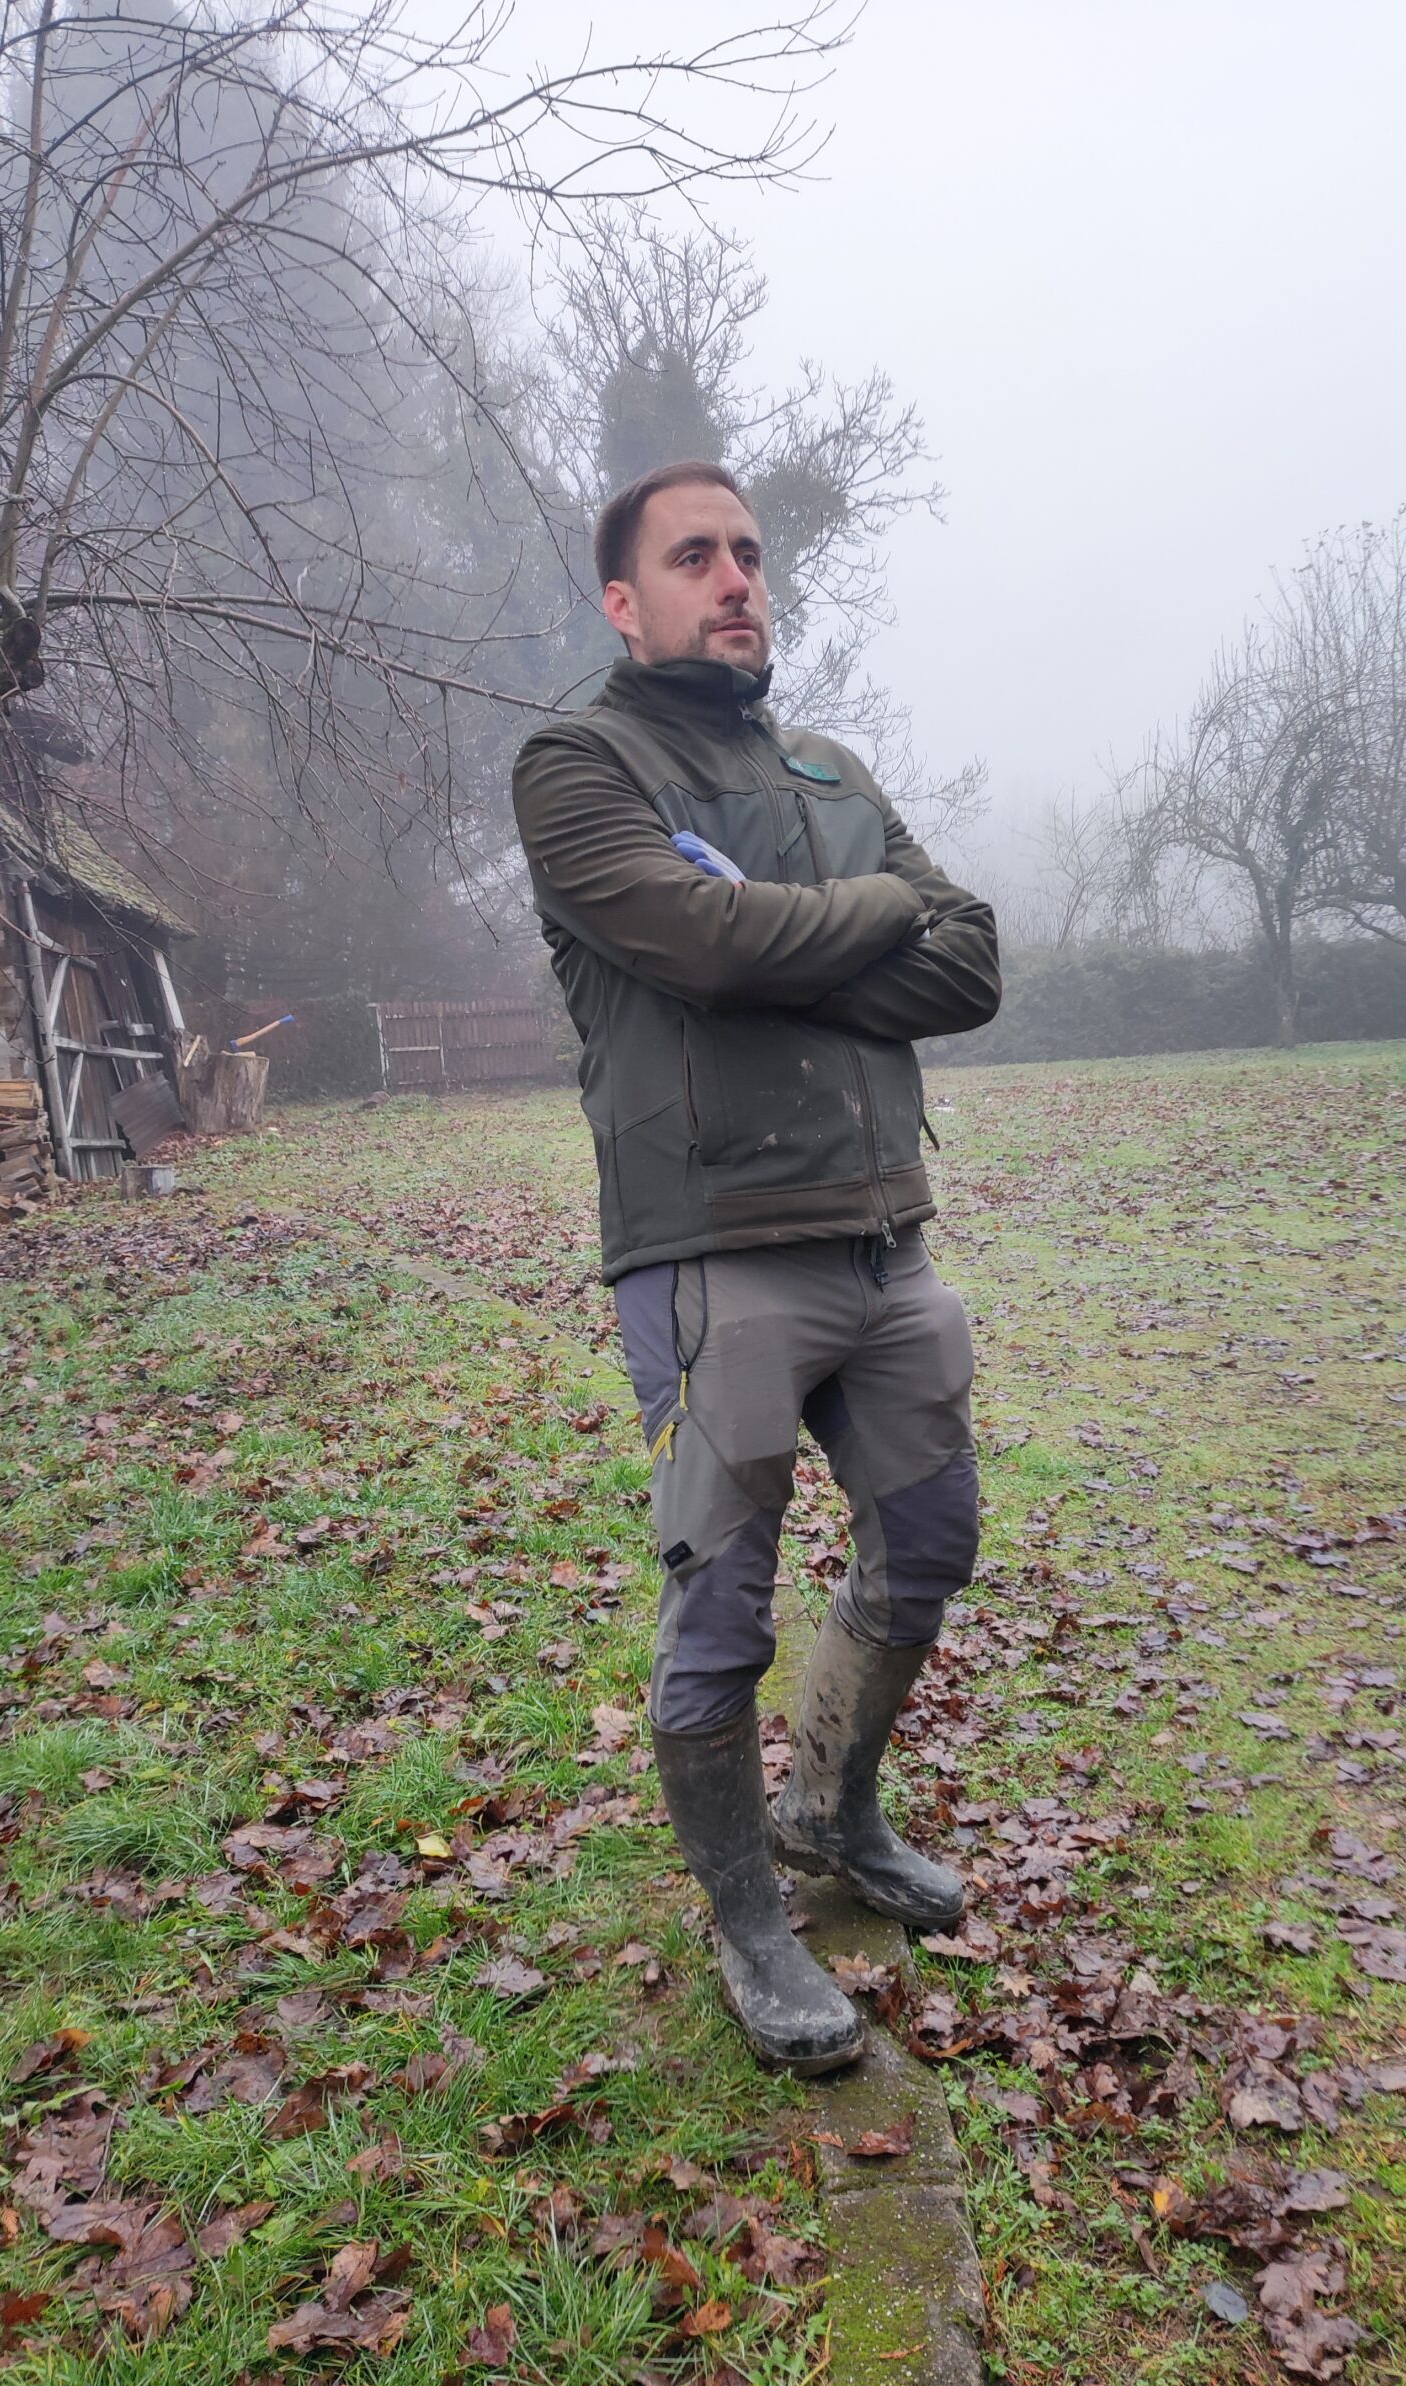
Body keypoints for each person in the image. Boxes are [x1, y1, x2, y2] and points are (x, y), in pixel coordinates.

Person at [512, 460, 1001, 2075]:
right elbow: (700, 947)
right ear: (623, 599)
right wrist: (868, 921)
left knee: (929, 1544)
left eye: (748, 552)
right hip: (716, 1256)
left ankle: (831, 1812)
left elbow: (973, 964)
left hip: (886, 1239)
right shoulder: (579, 766)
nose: (735, 579)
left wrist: (785, 939)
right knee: (721, 1610)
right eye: (693, 557)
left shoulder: (829, 769)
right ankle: (748, 1920)